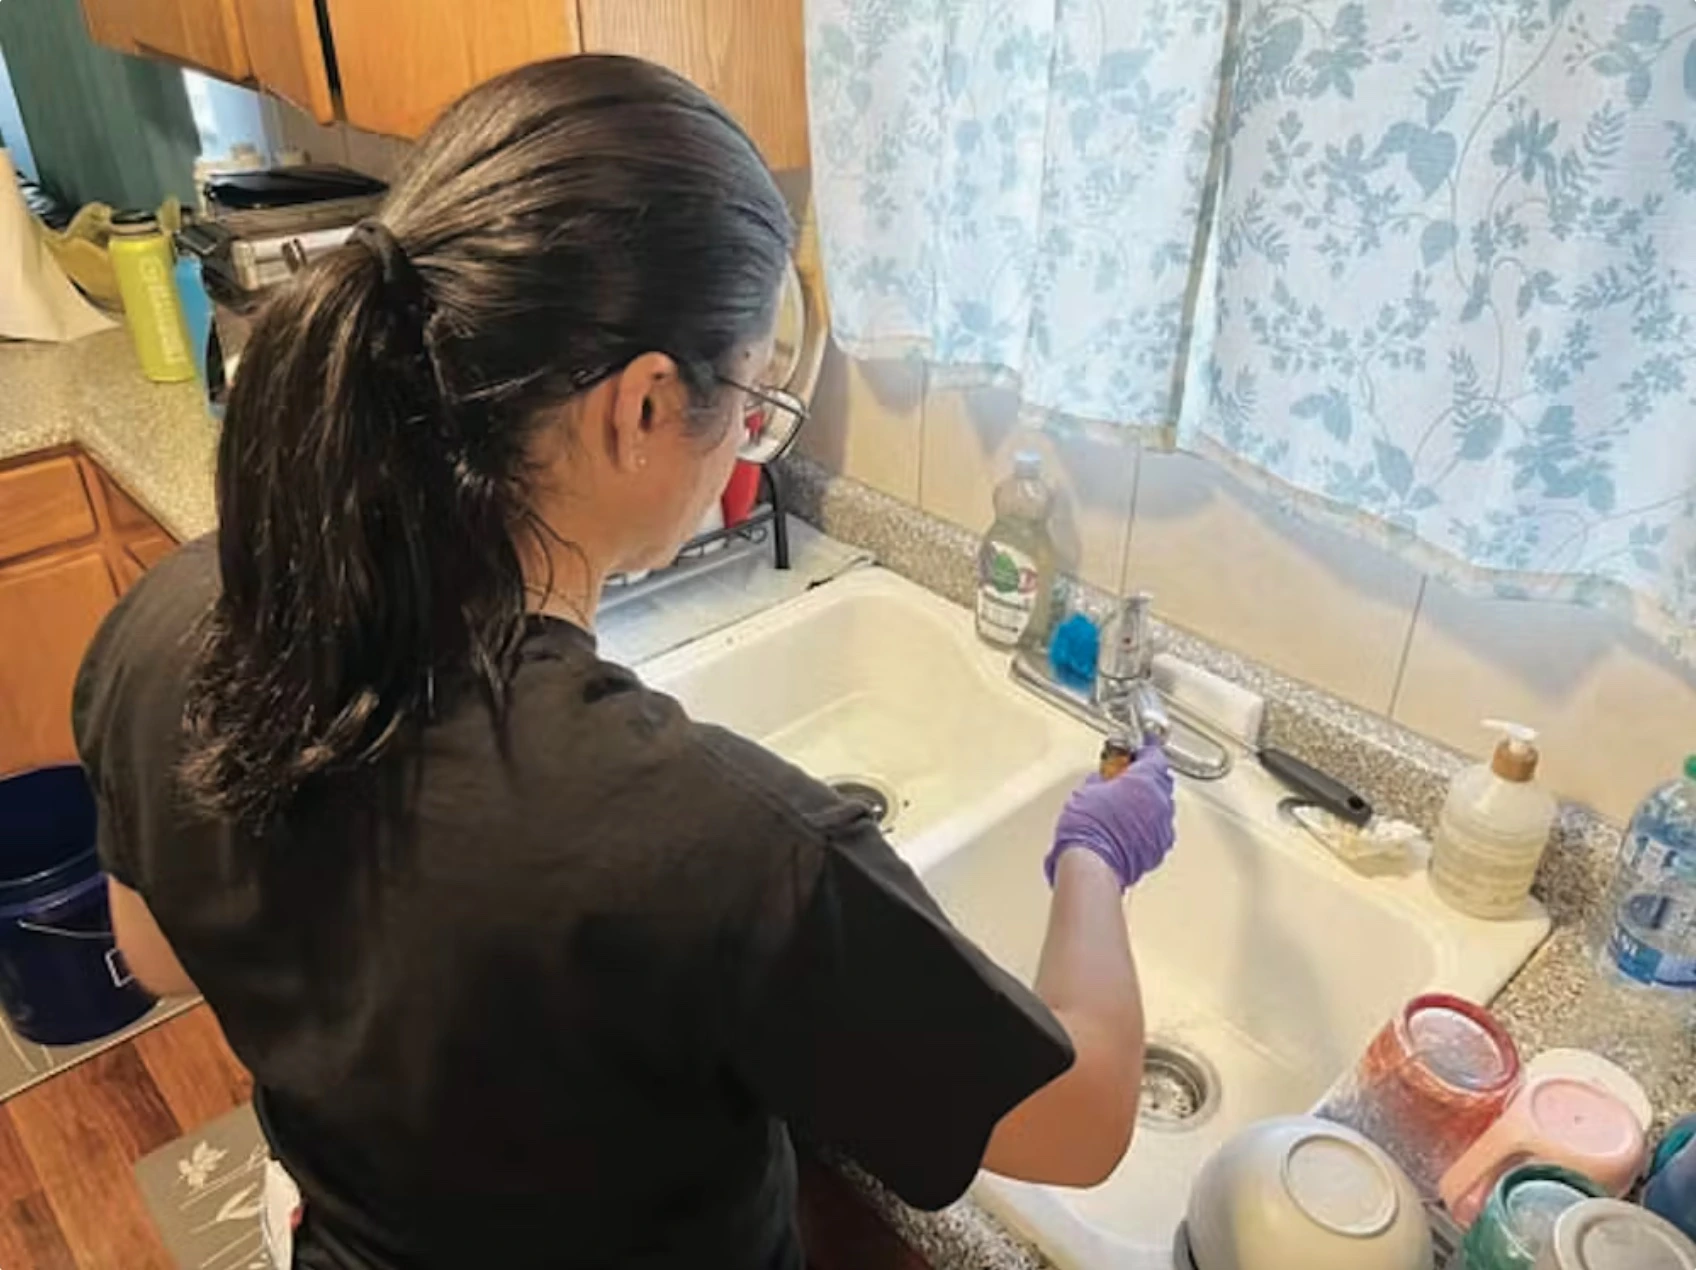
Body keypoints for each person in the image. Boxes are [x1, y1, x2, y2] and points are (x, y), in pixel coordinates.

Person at [71, 56, 1177, 1270]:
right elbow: (1079, 1125)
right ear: (644, 406)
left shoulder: (169, 618)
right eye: (752, 394)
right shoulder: (712, 840)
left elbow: (161, 951)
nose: (747, 435)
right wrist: (1091, 862)